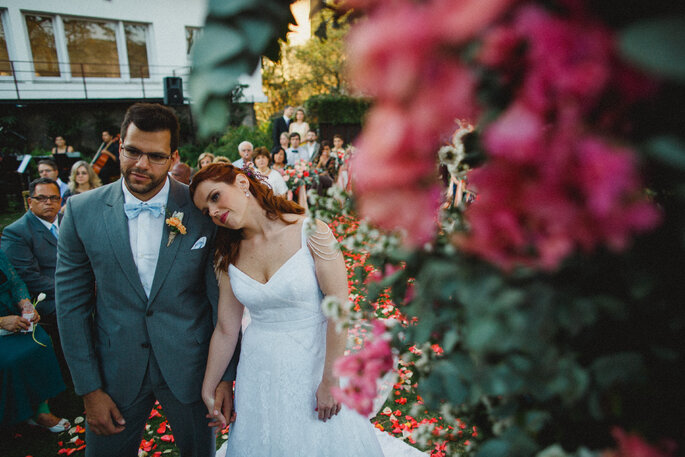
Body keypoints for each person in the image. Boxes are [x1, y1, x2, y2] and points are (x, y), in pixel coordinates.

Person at [55, 103, 239, 457]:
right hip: (114, 373)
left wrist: (225, 375)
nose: (141, 164)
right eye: (133, 151)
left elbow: (221, 300)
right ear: (120, 145)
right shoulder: (80, 212)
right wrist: (89, 389)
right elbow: (71, 307)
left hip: (193, 370)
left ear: (173, 158)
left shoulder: (201, 210)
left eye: (155, 156)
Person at [189, 163, 385, 457]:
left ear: (242, 183)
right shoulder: (226, 255)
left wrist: (330, 380)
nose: (214, 212)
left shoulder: (312, 231)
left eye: (215, 197)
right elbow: (226, 328)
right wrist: (209, 385)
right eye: (207, 211)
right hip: (259, 372)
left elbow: (339, 308)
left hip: (315, 363)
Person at [0, 250, 69, 431]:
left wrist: (25, 304)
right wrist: (1, 322)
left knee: (41, 342)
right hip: (3, 323)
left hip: (12, 317)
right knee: (10, 359)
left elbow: (16, 283)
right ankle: (18, 411)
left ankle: (41, 410)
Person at [2, 178, 62, 337]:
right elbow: (29, 277)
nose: (48, 202)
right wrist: (74, 288)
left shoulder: (69, 222)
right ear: (30, 201)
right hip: (49, 296)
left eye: (54, 198)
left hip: (82, 286)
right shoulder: (17, 232)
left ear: (60, 200)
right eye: (41, 198)